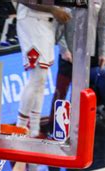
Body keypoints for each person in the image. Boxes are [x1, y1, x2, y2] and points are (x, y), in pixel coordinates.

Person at [16, 0, 71, 137]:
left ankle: (34, 126)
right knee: (37, 77)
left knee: (42, 79)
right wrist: (53, 9)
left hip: (47, 23)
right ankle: (19, 127)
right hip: (32, 20)